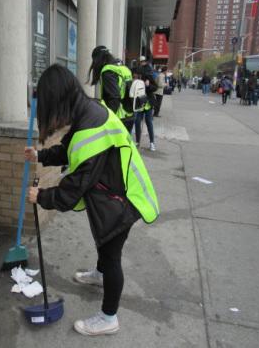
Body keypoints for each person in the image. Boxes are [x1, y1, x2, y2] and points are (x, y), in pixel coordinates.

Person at [25, 64, 160, 336]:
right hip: (112, 193)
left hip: (123, 199)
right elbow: (69, 150)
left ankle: (108, 317)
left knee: (112, 254)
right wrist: (41, 156)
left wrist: (42, 196)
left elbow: (72, 190)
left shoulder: (89, 126)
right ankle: (99, 275)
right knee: (106, 243)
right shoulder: (87, 110)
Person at [88, 45, 134, 132]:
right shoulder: (123, 68)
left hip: (118, 118)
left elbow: (114, 97)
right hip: (129, 114)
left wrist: (107, 119)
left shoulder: (108, 71)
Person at [131, 69, 157, 150]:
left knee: (149, 122)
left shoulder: (148, 77)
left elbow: (155, 87)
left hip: (148, 104)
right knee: (137, 122)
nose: (134, 76)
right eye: (134, 75)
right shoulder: (134, 80)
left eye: (135, 75)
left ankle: (152, 142)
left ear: (139, 74)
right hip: (139, 104)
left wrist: (148, 85)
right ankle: (138, 142)